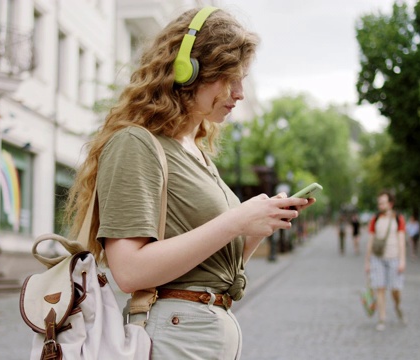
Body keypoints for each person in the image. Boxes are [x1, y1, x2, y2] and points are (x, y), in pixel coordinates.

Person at [64, 7, 316, 359]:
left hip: (201, 335)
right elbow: (130, 271)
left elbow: (209, 268)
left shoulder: (197, 154)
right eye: (231, 78)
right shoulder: (136, 143)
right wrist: (237, 220)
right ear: (189, 70)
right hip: (175, 337)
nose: (239, 93)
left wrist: (256, 229)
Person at [364, 190, 406, 331]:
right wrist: (367, 262)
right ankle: (382, 318)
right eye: (379, 202)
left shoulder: (398, 218)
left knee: (395, 289)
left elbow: (401, 241)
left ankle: (397, 304)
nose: (380, 205)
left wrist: (402, 260)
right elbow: (370, 241)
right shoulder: (375, 219)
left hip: (394, 258)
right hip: (378, 259)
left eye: (383, 202)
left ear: (390, 203)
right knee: (380, 288)